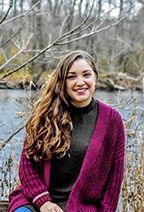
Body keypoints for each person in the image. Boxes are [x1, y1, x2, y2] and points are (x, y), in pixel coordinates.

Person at [8, 50, 125, 212]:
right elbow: (27, 166)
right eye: (71, 77)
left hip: (81, 207)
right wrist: (44, 203)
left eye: (86, 75)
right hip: (36, 202)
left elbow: (114, 181)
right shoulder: (45, 114)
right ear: (62, 81)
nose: (80, 82)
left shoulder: (112, 121)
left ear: (95, 78)